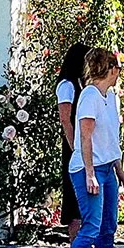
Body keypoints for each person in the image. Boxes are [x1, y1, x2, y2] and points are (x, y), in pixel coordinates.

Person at [60, 47, 124, 248]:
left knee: (108, 228)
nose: (120, 72)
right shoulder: (88, 95)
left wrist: (119, 169)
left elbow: (110, 137)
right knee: (90, 228)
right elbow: (85, 137)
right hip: (87, 168)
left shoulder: (110, 97)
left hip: (107, 168)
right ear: (110, 69)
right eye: (117, 67)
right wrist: (90, 174)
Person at [54, 43, 87, 237]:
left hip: (82, 143)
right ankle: (75, 240)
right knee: (73, 191)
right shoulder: (66, 85)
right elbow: (65, 119)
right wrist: (75, 146)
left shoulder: (81, 83)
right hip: (72, 145)